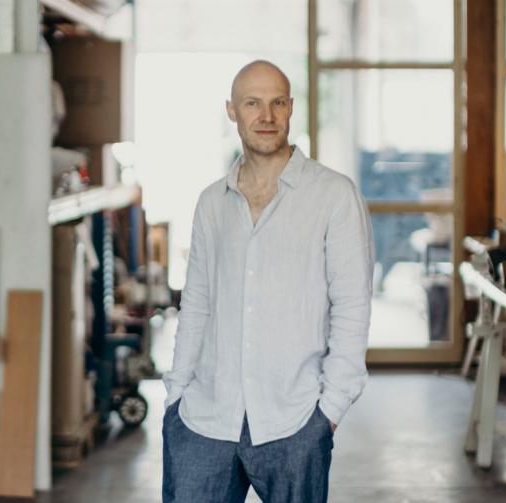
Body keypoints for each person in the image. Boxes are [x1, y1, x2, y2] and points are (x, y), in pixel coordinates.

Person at [162, 60, 374, 503]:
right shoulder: (211, 203)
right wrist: (175, 397)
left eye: (277, 103)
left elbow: (352, 306)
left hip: (295, 421)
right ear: (231, 111)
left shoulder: (334, 195)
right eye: (252, 103)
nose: (266, 116)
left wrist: (330, 410)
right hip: (204, 419)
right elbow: (196, 304)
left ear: (291, 108)